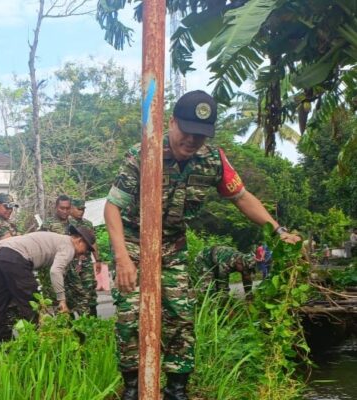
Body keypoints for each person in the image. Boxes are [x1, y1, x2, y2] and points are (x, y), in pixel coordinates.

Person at [103, 90, 301, 400]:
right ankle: (132, 387)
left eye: (200, 135)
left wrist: (278, 231)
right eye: (187, 131)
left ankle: (177, 389)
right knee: (130, 315)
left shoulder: (213, 160)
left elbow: (242, 198)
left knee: (181, 316)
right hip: (132, 244)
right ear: (171, 123)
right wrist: (122, 258)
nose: (192, 141)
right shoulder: (144, 153)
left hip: (172, 246)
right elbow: (112, 207)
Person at [0, 225, 96, 345]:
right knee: (33, 305)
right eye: (86, 250)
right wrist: (62, 300)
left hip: (0, 255)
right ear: (79, 241)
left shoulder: (58, 239)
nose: (83, 255)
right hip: (15, 257)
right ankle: (41, 344)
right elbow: (55, 271)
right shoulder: (69, 246)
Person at [66, 198, 103, 316]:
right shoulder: (66, 224)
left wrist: (97, 260)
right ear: (71, 208)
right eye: (79, 209)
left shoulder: (87, 224)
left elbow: (93, 243)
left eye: (83, 209)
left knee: (90, 288)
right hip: (71, 264)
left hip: (86, 263)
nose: (81, 212)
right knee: (73, 291)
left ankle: (93, 320)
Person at [38, 194, 73, 302]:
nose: (65, 211)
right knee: (56, 300)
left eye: (67, 208)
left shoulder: (73, 224)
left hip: (71, 268)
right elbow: (41, 244)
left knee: (72, 299)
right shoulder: (48, 224)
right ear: (56, 208)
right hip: (54, 267)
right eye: (62, 208)